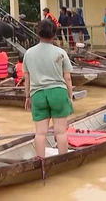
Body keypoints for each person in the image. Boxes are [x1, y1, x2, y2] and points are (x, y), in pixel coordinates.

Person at [23, 19, 74, 158]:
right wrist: (70, 96)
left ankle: (40, 161)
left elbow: (27, 78)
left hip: (38, 94)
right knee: (61, 132)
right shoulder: (60, 52)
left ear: (38, 33)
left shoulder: (29, 53)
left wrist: (27, 97)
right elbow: (67, 78)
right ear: (54, 34)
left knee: (40, 133)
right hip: (58, 92)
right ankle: (62, 161)